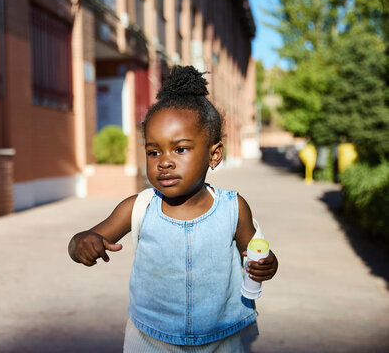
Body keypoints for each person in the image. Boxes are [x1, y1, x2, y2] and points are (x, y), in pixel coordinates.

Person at [68, 65, 278, 352]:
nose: (163, 162)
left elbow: (257, 252)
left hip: (222, 340)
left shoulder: (234, 208)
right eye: (154, 151)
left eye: (180, 149)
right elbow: (81, 241)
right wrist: (83, 243)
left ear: (214, 155)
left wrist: (267, 265)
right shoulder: (138, 207)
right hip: (151, 341)